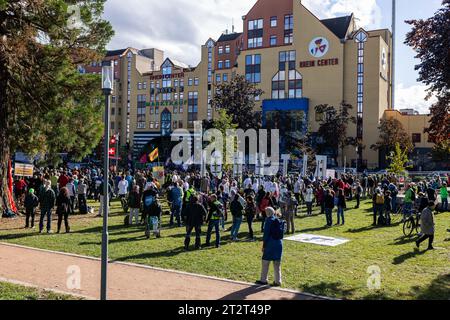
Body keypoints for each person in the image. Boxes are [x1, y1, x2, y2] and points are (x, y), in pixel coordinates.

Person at [256, 207, 283, 287]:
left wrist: (264, 246)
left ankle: (263, 280)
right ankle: (278, 281)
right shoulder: (278, 220)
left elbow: (266, 235)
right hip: (279, 243)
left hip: (270, 244)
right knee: (277, 263)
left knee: (265, 262)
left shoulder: (268, 221)